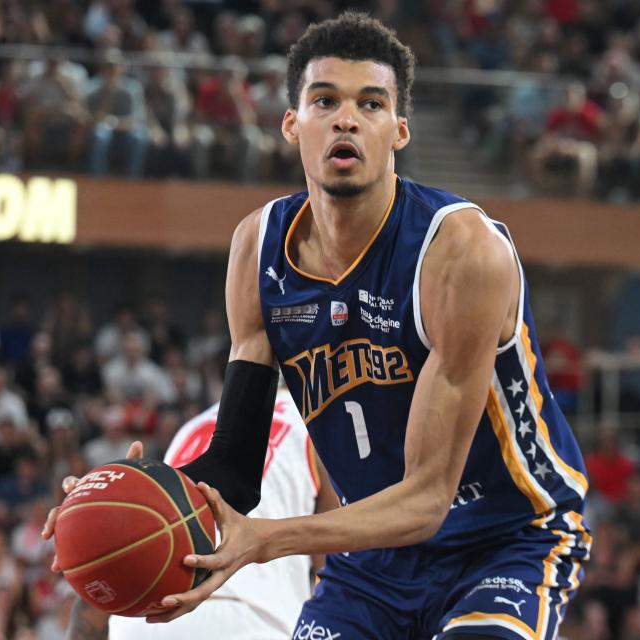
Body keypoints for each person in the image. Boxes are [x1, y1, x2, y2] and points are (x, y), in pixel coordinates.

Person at [45, 13, 590, 640]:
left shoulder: (460, 253)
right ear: (291, 124)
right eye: (324, 100)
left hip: (504, 539)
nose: (347, 119)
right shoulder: (257, 248)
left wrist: (266, 542)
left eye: (371, 104)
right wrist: (126, 502)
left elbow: (426, 500)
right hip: (372, 558)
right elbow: (235, 472)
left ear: (399, 131)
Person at [62, 388, 334, 639]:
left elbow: (116, 562)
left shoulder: (192, 427)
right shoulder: (316, 426)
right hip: (252, 618)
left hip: (144, 621)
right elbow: (334, 565)